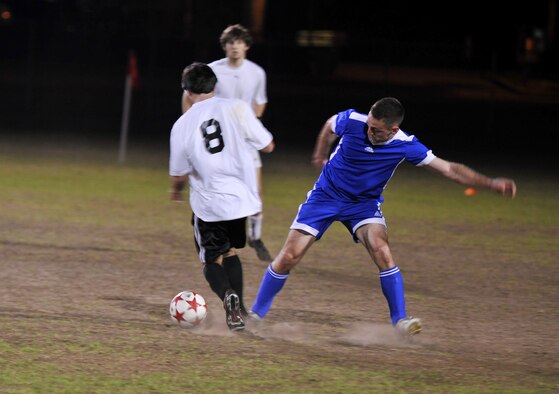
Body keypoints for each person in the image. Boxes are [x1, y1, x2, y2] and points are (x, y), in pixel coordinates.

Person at [249, 97, 516, 336]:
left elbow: (450, 169)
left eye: (376, 129)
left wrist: (490, 184)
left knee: (382, 250)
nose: (369, 131)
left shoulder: (406, 146)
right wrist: (320, 154)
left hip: (363, 206)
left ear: (393, 129)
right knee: (289, 257)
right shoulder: (353, 120)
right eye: (369, 124)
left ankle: (400, 320)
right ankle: (255, 315)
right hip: (326, 197)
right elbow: (329, 126)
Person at [170, 62, 275, 331]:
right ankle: (239, 309)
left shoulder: (182, 124)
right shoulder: (238, 107)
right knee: (230, 251)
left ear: (187, 91)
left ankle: (228, 296)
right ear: (215, 85)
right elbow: (268, 145)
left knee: (210, 260)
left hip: (210, 204)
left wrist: (176, 192)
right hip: (240, 201)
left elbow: (179, 174)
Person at [182, 24, 272, 262]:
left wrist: (249, 125)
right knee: (217, 187)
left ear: (247, 45)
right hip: (218, 142)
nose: (234, 46)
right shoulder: (212, 70)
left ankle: (255, 236)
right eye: (230, 42)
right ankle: (220, 237)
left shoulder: (257, 72)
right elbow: (188, 98)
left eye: (239, 41)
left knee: (256, 191)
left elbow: (260, 102)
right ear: (225, 46)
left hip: (244, 140)